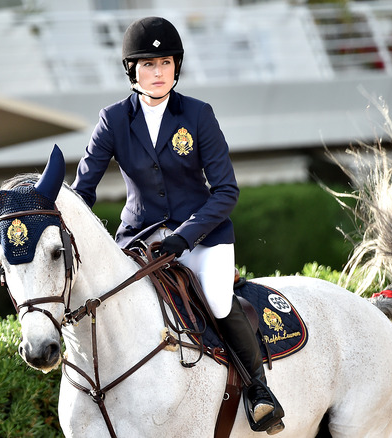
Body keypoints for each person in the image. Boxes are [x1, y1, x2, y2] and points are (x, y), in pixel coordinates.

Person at [71, 16, 284, 434]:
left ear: (176, 66)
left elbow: (226, 190)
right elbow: (83, 190)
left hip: (202, 235)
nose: (157, 73)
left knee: (219, 301)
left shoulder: (199, 115)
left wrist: (185, 236)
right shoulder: (113, 119)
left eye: (165, 63)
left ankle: (259, 392)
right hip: (140, 238)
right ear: (131, 70)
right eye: (148, 65)